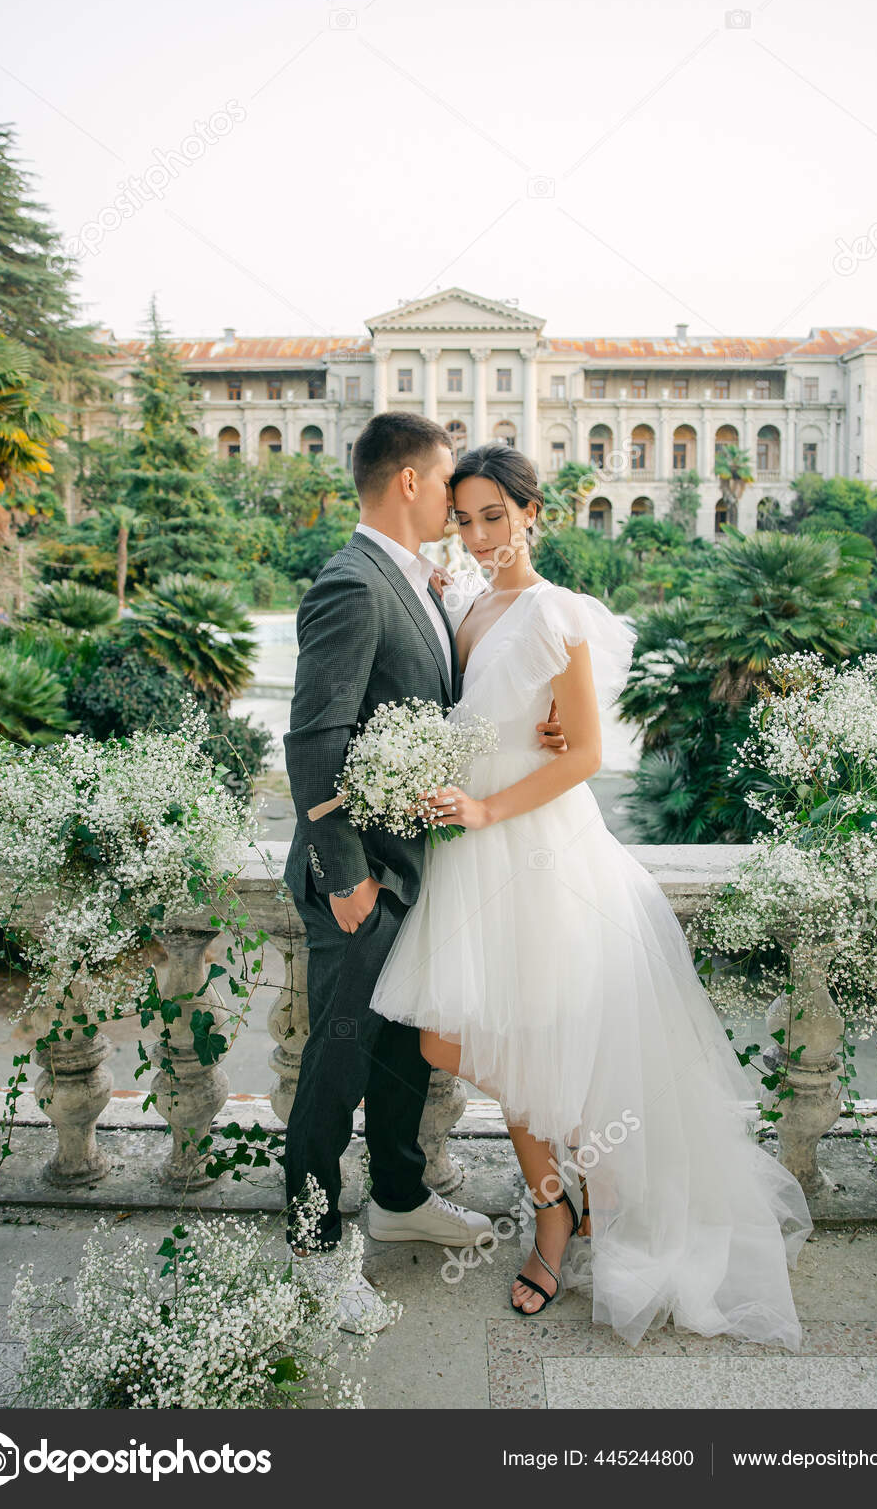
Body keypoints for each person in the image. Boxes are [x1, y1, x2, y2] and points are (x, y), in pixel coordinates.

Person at [370, 441, 814, 1350]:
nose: (480, 532)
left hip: (534, 850)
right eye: (464, 518)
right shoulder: (462, 603)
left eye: (496, 515)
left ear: (534, 513)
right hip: (469, 859)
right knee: (448, 1036)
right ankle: (570, 1194)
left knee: (518, 1043)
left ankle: (559, 1216)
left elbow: (581, 755)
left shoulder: (553, 612)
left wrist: (489, 799)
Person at [282, 413, 566, 1333]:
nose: (456, 501)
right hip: (362, 875)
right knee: (335, 1065)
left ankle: (399, 1198)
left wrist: (539, 726)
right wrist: (343, 874)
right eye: (447, 482)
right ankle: (317, 1253)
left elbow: (450, 701)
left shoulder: (420, 582)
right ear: (409, 482)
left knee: (404, 1053)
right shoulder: (350, 584)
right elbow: (315, 736)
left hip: (420, 869)